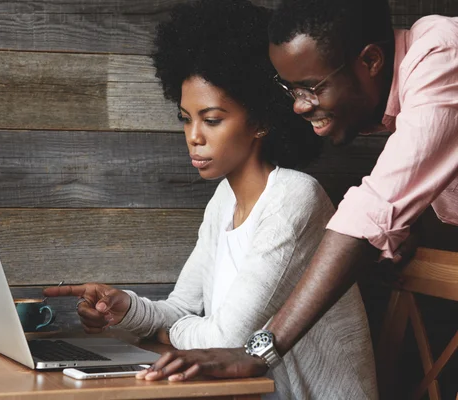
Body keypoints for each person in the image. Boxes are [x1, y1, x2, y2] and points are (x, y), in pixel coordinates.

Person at [44, 1, 378, 398]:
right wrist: (126, 309)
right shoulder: (224, 200)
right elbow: (182, 306)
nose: (194, 136)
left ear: (263, 121)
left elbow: (225, 339)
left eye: (212, 119)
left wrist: (167, 332)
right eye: (186, 118)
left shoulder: (294, 197)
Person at [141, 0, 458, 390]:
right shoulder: (411, 81)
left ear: (371, 61)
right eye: (290, 88)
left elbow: (375, 205)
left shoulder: (442, 57)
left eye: (311, 87)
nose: (298, 105)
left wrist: (259, 352)